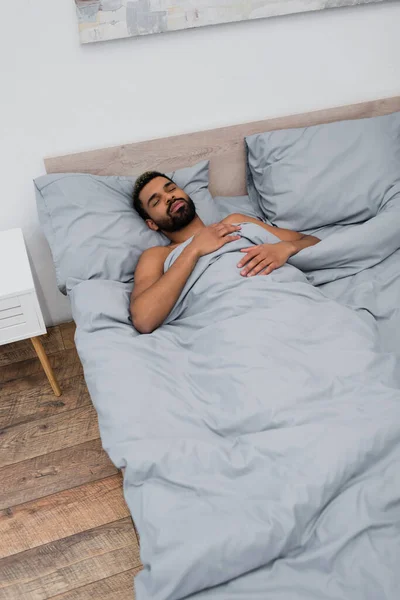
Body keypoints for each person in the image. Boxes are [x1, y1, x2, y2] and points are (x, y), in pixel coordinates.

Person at [130, 171, 320, 334]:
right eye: (156, 202)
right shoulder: (157, 255)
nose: (169, 197)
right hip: (235, 322)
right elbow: (144, 319)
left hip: (293, 301)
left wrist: (285, 248)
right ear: (152, 224)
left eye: (171, 189)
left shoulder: (235, 222)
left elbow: (313, 242)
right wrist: (194, 249)